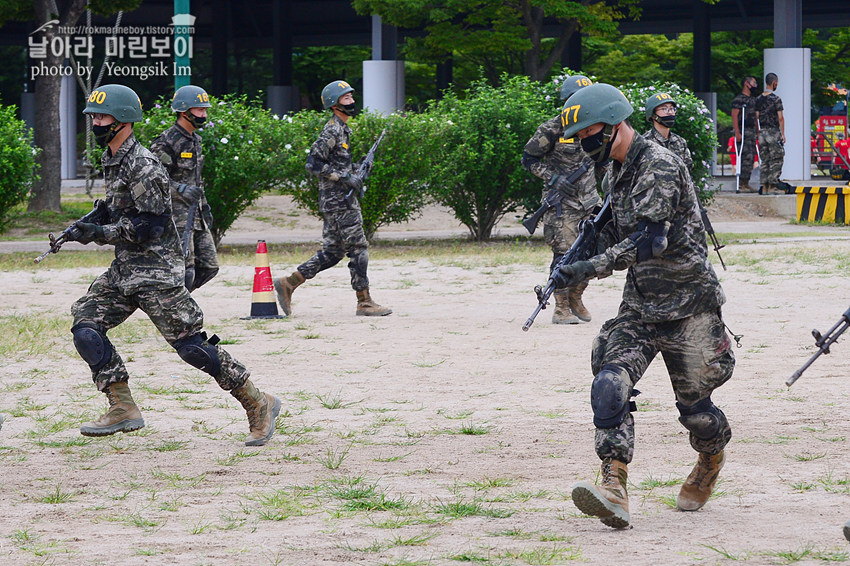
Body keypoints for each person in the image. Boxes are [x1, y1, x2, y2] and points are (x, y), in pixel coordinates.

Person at [554, 83, 735, 529]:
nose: (583, 142)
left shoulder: (659, 166)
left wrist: (589, 267)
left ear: (616, 125)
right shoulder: (614, 171)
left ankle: (710, 460)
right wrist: (574, 254)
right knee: (609, 384)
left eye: (589, 133)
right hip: (641, 305)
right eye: (577, 137)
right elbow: (616, 231)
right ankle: (613, 487)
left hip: (689, 305)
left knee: (697, 413)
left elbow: (649, 243)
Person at [70, 84, 280, 446]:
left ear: (123, 121)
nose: (95, 122)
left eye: (101, 116)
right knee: (86, 327)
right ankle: (122, 407)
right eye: (93, 116)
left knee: (193, 348)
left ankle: (258, 402)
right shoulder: (114, 158)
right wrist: (98, 215)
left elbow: (149, 226)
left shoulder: (144, 165)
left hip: (156, 273)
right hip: (125, 270)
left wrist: (99, 232)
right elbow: (126, 208)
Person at [274, 80, 391, 317]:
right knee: (359, 248)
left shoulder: (343, 128)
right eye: (346, 98)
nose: (352, 101)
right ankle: (364, 301)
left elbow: (338, 164)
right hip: (339, 201)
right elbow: (313, 163)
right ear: (334, 104)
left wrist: (357, 171)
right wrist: (344, 177)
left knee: (333, 252)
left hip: (337, 200)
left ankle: (290, 282)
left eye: (351, 97)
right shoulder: (332, 129)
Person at [521, 75, 600, 324]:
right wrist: (553, 179)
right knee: (564, 253)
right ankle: (561, 306)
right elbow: (529, 159)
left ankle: (576, 296)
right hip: (561, 204)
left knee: (590, 252)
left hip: (589, 201)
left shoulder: (598, 127)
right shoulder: (552, 128)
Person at [150, 85, 219, 291]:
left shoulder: (195, 140)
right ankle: (177, 307)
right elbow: (155, 181)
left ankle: (176, 299)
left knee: (209, 266)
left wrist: (204, 207)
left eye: (205, 110)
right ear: (184, 111)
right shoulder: (166, 141)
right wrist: (180, 189)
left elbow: (196, 180)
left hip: (195, 215)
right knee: (185, 269)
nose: (204, 114)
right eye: (200, 110)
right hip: (175, 217)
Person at [643, 92, 693, 174]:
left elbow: (687, 174)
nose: (670, 112)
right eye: (664, 109)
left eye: (672, 108)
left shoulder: (680, 142)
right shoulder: (645, 143)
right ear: (653, 115)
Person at [755, 73, 786, 195]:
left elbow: (756, 116)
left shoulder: (758, 99)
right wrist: (782, 134)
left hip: (762, 132)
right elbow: (780, 118)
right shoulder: (776, 99)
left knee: (765, 159)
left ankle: (764, 186)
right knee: (777, 158)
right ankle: (773, 185)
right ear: (775, 83)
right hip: (773, 132)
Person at [731, 76, 759, 193]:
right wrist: (737, 132)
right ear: (746, 84)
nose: (755, 84)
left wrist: (758, 132)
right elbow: (734, 115)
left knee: (751, 157)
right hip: (743, 131)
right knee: (745, 157)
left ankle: (746, 182)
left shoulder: (753, 100)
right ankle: (741, 183)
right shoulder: (739, 99)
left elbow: (756, 117)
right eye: (753, 82)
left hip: (752, 131)